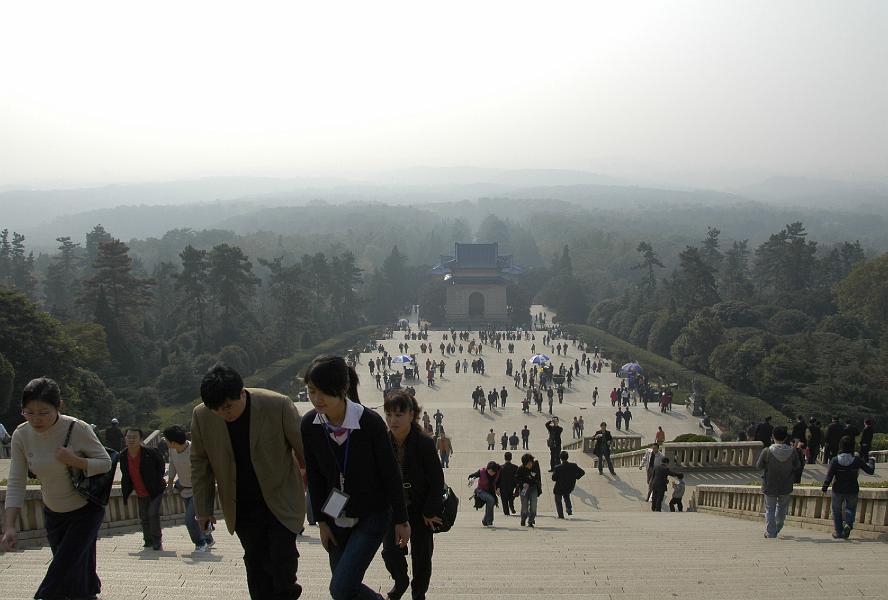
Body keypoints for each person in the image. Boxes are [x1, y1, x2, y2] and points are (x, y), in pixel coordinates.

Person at [192, 363, 306, 600]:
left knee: (282, 561)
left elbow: (306, 451)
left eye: (228, 407)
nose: (225, 414)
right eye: (217, 410)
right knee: (255, 563)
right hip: (241, 505)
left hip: (280, 500)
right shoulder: (202, 415)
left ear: (241, 393)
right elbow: (200, 465)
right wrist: (203, 509)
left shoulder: (278, 405)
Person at [300, 356, 409, 600]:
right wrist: (321, 521)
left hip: (371, 515)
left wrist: (401, 519)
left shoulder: (369, 422)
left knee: (340, 588)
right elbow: (315, 476)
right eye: (311, 391)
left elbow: (390, 473)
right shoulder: (310, 424)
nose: (317, 400)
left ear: (342, 389)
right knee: (344, 592)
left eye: (324, 393)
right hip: (334, 516)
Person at [1, 377, 112, 600]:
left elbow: (106, 462)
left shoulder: (76, 428)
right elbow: (16, 480)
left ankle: (43, 596)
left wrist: (75, 461)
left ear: (59, 406)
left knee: (62, 566)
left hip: (85, 510)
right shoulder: (21, 435)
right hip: (53, 513)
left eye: (43, 412)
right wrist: (9, 525)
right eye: (29, 412)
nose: (36, 419)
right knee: (76, 571)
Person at [381, 390, 445, 600]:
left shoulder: (424, 443)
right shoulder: (382, 441)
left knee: (422, 556)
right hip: (393, 510)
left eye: (399, 415)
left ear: (412, 414)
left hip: (420, 509)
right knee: (389, 552)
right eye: (389, 415)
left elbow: (437, 480)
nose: (393, 420)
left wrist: (429, 511)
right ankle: (401, 580)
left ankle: (419, 592)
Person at [163, 424, 215, 552]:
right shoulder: (172, 450)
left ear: (173, 442)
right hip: (184, 488)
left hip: (199, 489)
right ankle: (209, 538)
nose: (165, 441)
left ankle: (200, 542)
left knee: (190, 519)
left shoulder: (195, 450)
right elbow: (172, 467)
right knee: (199, 516)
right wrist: (169, 485)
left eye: (166, 439)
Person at [120, 427, 167, 550]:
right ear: (125, 439)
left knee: (152, 513)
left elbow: (161, 465)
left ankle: (157, 540)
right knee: (144, 516)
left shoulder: (149, 452)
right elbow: (125, 475)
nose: (131, 439)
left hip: (155, 490)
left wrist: (157, 479)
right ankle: (148, 540)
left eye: (134, 437)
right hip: (140, 491)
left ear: (141, 439)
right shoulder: (123, 455)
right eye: (129, 437)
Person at [822, 436, 877, 539]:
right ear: (852, 446)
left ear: (840, 446)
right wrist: (872, 461)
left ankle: (838, 532)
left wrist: (825, 487)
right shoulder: (856, 460)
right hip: (852, 489)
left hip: (838, 489)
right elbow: (870, 471)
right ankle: (848, 524)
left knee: (836, 510)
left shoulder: (835, 460)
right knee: (850, 508)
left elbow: (829, 475)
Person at [756, 425, 802, 538]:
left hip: (770, 484)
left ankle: (771, 532)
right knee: (782, 508)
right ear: (786, 437)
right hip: (786, 484)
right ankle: (778, 526)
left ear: (772, 436)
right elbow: (797, 465)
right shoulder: (792, 452)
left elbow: (758, 466)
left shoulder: (767, 451)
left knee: (770, 509)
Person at [552, 451, 585, 518]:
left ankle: (560, 515)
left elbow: (554, 478)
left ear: (560, 458)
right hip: (569, 486)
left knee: (558, 501)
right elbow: (582, 472)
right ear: (567, 457)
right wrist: (576, 477)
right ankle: (569, 509)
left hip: (559, 487)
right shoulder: (573, 466)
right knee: (566, 496)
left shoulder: (557, 467)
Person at [468, 461, 500, 526]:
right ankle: (489, 521)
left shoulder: (497, 472)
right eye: (491, 471)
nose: (492, 473)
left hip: (490, 492)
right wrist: (471, 480)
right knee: (491, 500)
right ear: (487, 469)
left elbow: (499, 481)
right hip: (480, 491)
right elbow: (471, 476)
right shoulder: (481, 472)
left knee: (490, 503)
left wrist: (498, 488)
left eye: (494, 472)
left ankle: (485, 520)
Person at [515, 454, 542, 527]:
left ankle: (531, 520)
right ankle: (523, 518)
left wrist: (539, 487)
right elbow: (516, 479)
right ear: (524, 464)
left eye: (531, 463)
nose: (530, 465)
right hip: (524, 489)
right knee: (524, 507)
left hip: (533, 488)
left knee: (533, 506)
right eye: (528, 464)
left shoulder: (535, 467)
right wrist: (522, 484)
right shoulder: (520, 469)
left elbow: (538, 478)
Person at [498, 452, 518, 516]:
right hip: (511, 486)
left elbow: (498, 479)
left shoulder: (500, 468)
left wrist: (497, 487)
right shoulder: (515, 467)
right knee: (511, 497)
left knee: (504, 501)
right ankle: (511, 506)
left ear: (504, 458)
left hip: (503, 487)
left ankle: (506, 513)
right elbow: (517, 478)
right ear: (511, 458)